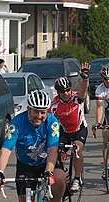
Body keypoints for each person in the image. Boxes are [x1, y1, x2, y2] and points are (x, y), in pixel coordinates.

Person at [0, 90, 66, 202]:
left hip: (46, 161)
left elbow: (53, 150)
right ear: (28, 109)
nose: (39, 116)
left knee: (59, 177)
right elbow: (6, 149)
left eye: (43, 112)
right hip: (26, 164)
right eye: (36, 112)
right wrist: (0, 171)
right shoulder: (17, 123)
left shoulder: (52, 122)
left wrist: (49, 171)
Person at [48, 63, 89, 192]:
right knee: (56, 152)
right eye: (62, 91)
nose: (66, 93)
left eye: (68, 90)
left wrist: (85, 79)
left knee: (77, 149)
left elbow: (83, 92)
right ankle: (61, 175)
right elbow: (48, 123)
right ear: (58, 92)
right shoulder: (54, 105)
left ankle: (77, 178)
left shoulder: (76, 98)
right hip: (64, 132)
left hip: (79, 129)